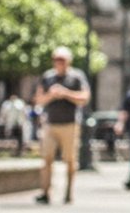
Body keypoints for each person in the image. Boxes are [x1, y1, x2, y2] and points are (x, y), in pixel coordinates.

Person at [33, 46, 90, 204]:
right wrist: (51, 95)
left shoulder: (76, 77)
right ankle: (45, 192)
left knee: (70, 160)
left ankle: (68, 192)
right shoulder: (47, 77)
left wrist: (65, 93)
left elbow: (85, 97)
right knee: (47, 158)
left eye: (62, 60)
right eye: (56, 59)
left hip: (70, 124)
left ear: (68, 61)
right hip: (50, 124)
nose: (59, 63)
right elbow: (39, 100)